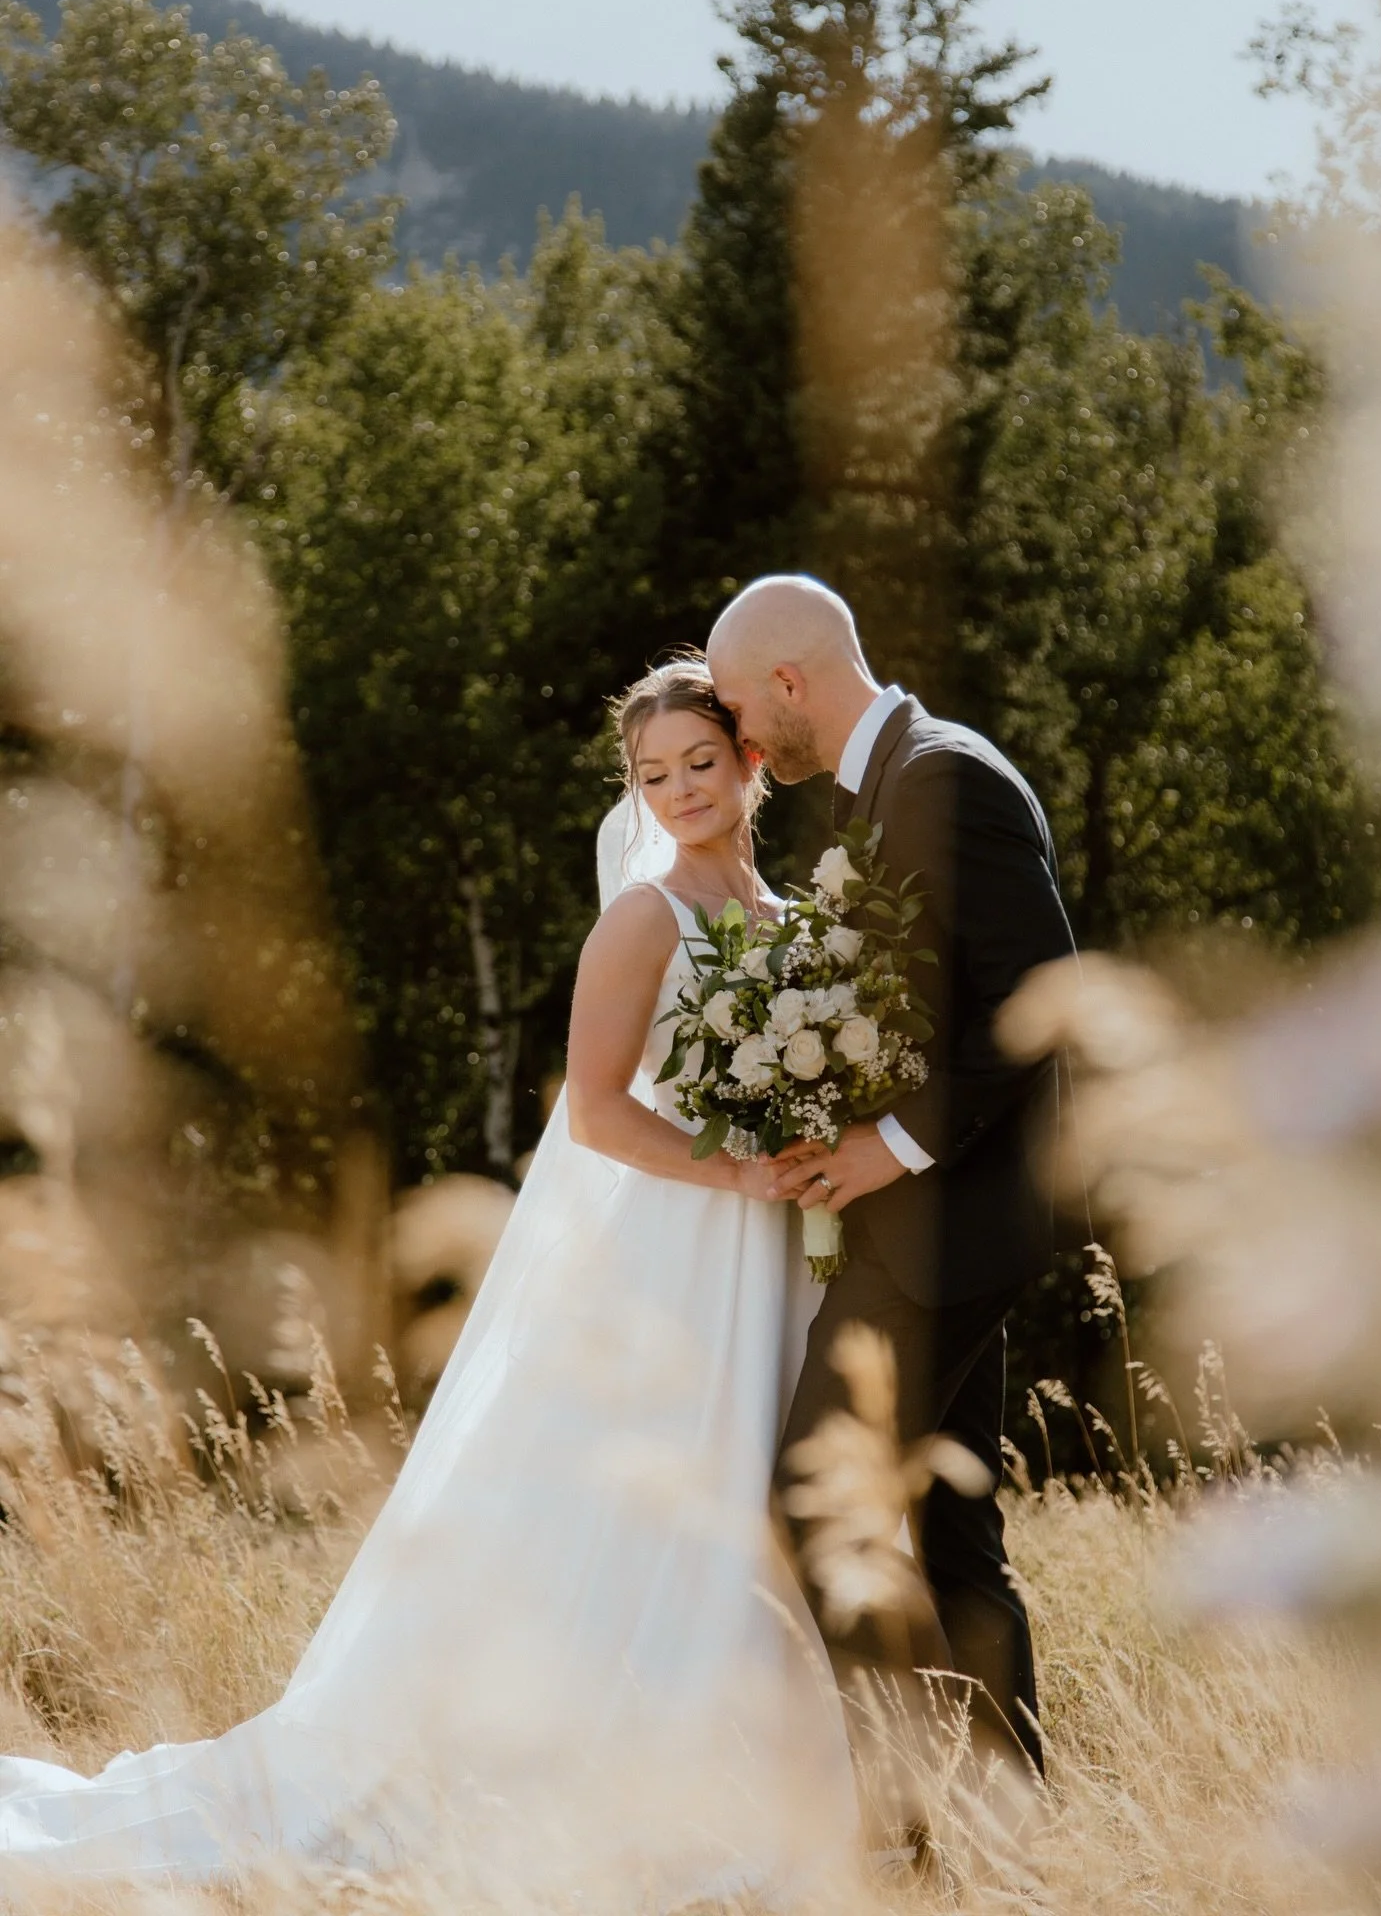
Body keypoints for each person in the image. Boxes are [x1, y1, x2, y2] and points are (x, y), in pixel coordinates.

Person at [0, 659, 854, 1901]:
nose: (680, 791)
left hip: (768, 1246)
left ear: (751, 765)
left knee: (748, 1482)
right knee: (661, 1485)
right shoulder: (643, 920)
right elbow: (598, 1113)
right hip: (681, 1240)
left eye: (701, 764)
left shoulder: (794, 922)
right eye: (654, 774)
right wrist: (738, 1170)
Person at [707, 575, 1076, 1781]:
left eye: (738, 709)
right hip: (933, 1225)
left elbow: (1039, 998)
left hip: (951, 1226)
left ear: (789, 682)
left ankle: (912, 1824)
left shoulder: (941, 778)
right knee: (957, 1535)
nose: (740, 739)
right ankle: (1013, 1820)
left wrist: (892, 1146)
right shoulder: (885, 786)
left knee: (820, 1507)